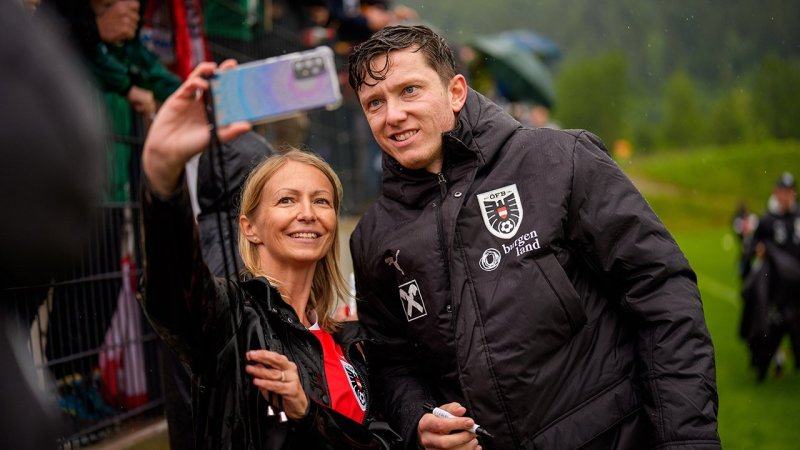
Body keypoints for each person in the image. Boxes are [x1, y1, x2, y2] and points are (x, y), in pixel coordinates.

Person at [347, 25, 720, 449]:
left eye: (409, 90)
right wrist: (417, 420)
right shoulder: (372, 239)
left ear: (455, 91)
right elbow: (392, 363)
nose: (392, 114)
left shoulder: (560, 160)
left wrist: (686, 439)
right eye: (375, 103)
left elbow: (662, 295)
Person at [139, 61, 399, 448]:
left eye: (321, 200)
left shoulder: (352, 340)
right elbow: (173, 287)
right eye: (287, 200)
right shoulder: (231, 318)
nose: (307, 213)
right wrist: (163, 175)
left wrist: (307, 412)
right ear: (250, 227)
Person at [742, 172, 800, 381]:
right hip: (778, 287)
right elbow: (753, 249)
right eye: (783, 191)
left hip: (797, 286)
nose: (786, 196)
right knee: (774, 325)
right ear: (776, 192)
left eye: (790, 191)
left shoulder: (798, 216)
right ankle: (764, 368)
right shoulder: (767, 220)